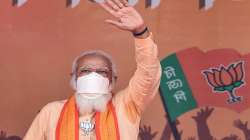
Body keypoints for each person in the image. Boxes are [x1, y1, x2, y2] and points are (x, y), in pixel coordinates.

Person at [23, 0, 161, 139]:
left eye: (102, 72)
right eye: (86, 71)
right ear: (74, 78)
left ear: (112, 81)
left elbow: (148, 74)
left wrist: (140, 31)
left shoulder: (126, 105)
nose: (93, 76)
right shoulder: (52, 112)